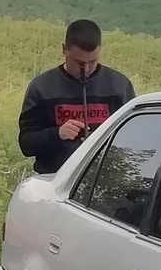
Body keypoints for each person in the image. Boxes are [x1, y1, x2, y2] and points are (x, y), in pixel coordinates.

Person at [18, 19, 136, 175]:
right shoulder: (41, 87)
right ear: (64, 50)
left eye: (92, 61)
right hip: (55, 179)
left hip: (106, 180)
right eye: (78, 62)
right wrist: (57, 133)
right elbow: (26, 144)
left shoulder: (119, 85)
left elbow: (134, 137)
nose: (85, 69)